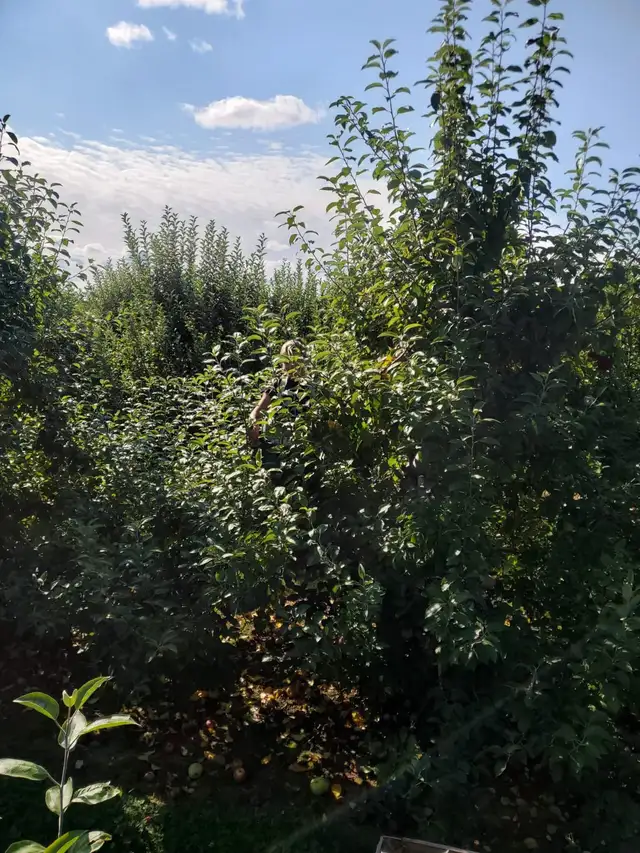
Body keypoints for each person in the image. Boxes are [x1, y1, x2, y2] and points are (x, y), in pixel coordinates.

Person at [247, 339, 305, 447]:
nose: (288, 366)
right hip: (278, 446)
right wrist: (254, 425)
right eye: (286, 362)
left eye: (291, 362)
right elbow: (255, 413)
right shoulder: (278, 384)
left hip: (301, 447)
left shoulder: (312, 386)